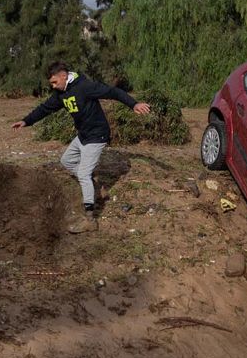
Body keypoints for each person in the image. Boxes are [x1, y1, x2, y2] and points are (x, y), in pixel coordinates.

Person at [11, 61, 151, 233]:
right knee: (67, 160)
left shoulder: (85, 86)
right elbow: (45, 108)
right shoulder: (60, 93)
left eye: (55, 82)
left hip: (97, 135)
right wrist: (26, 121)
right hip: (83, 135)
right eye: (51, 84)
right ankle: (96, 189)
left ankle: (90, 219)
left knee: (84, 173)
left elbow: (112, 92)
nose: (53, 86)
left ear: (63, 76)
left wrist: (133, 104)